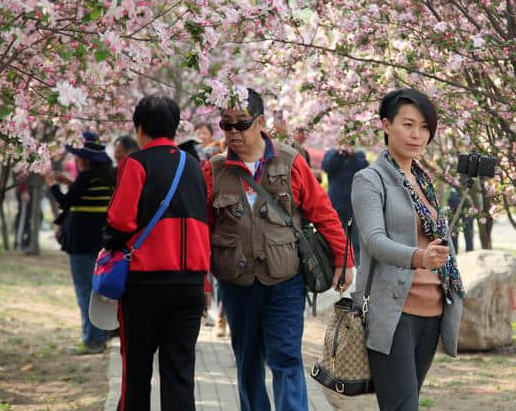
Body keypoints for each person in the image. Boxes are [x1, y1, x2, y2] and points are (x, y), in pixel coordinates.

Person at [203, 88, 353, 411]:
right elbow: (203, 229)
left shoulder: (290, 161)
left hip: (285, 281)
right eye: (225, 124)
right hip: (236, 283)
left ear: (260, 122)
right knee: (248, 363)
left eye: (240, 124)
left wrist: (344, 259)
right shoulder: (214, 170)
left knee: (285, 358)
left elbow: (323, 212)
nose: (233, 132)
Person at [351, 88, 466, 410]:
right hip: (394, 313)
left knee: (408, 402)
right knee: (403, 406)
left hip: (432, 311)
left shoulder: (424, 182)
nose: (418, 135)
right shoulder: (369, 179)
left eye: (425, 127)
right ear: (386, 125)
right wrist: (418, 257)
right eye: (409, 124)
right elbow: (373, 240)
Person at [102, 95, 210, 410]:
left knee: (135, 373)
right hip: (189, 283)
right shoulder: (193, 166)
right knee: (180, 376)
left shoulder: (135, 163)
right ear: (175, 128)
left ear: (139, 128)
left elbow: (120, 219)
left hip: (144, 284)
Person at [44, 131, 114, 354]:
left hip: (81, 243)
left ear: (83, 158)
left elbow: (65, 202)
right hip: (102, 242)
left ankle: (91, 339)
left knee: (84, 290)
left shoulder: (86, 177)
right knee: (98, 292)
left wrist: (52, 184)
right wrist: (70, 182)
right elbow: (86, 196)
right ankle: (100, 336)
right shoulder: (108, 176)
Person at [322, 143, 368, 258]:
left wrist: (353, 156)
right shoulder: (332, 154)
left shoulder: (359, 156)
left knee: (357, 241)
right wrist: (338, 153)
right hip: (335, 205)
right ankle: (338, 265)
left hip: (355, 206)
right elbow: (327, 167)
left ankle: (357, 269)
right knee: (337, 239)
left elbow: (365, 171)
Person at [447, 187, 475, 253]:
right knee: (454, 229)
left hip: (464, 195)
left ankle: (469, 251)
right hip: (455, 197)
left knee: (467, 229)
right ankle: (454, 252)